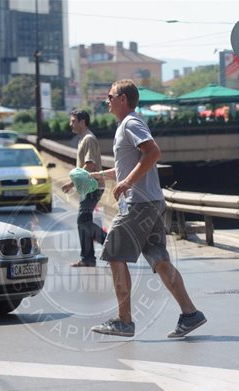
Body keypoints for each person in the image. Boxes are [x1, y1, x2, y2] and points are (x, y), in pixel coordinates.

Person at [88, 79, 207, 338]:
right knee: (160, 261)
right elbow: (125, 167)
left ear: (123, 98)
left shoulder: (131, 122)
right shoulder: (127, 125)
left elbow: (152, 152)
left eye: (110, 96)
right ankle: (190, 314)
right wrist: (98, 175)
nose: (106, 101)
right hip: (151, 204)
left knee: (114, 255)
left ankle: (124, 321)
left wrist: (128, 182)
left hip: (137, 205)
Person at [62, 109, 105, 267]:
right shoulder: (82, 139)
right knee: (84, 221)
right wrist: (72, 184)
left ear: (82, 122)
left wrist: (72, 183)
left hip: (93, 187)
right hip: (87, 188)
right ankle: (88, 259)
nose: (70, 124)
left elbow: (89, 164)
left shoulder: (88, 139)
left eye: (73, 121)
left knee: (83, 221)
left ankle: (111, 245)